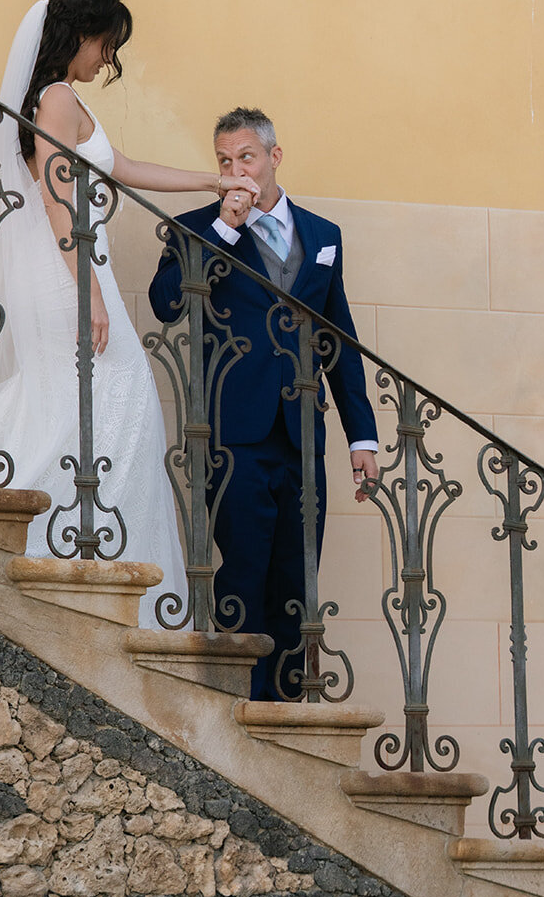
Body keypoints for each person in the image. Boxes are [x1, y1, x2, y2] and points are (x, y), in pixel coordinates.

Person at [0, 0, 254, 627]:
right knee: (104, 401)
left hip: (74, 264)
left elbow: (122, 166)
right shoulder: (55, 99)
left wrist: (212, 178)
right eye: (106, 44)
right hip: (69, 268)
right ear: (81, 34)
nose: (107, 60)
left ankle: (76, 546)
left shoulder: (62, 100)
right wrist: (86, 289)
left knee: (82, 403)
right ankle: (3, 519)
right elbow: (58, 194)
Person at [148, 107, 379, 699]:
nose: (235, 171)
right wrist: (224, 231)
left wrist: (362, 437)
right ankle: (237, 715)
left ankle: (286, 714)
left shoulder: (324, 237)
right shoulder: (196, 227)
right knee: (241, 578)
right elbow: (166, 303)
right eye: (224, 161)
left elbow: (339, 339)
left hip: (303, 436)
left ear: (274, 157)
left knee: (297, 583)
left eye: (245, 158)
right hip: (233, 437)